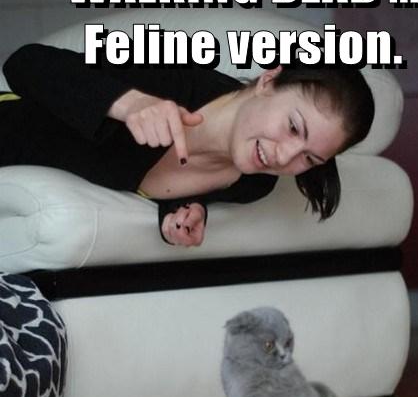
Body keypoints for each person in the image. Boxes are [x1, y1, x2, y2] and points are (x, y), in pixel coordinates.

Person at [0, 43, 374, 246]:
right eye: (293, 127)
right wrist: (129, 104)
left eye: (310, 158)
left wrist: (179, 214)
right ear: (269, 80)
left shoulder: (254, 183)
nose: (285, 157)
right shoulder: (173, 77)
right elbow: (23, 63)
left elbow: (145, 181)